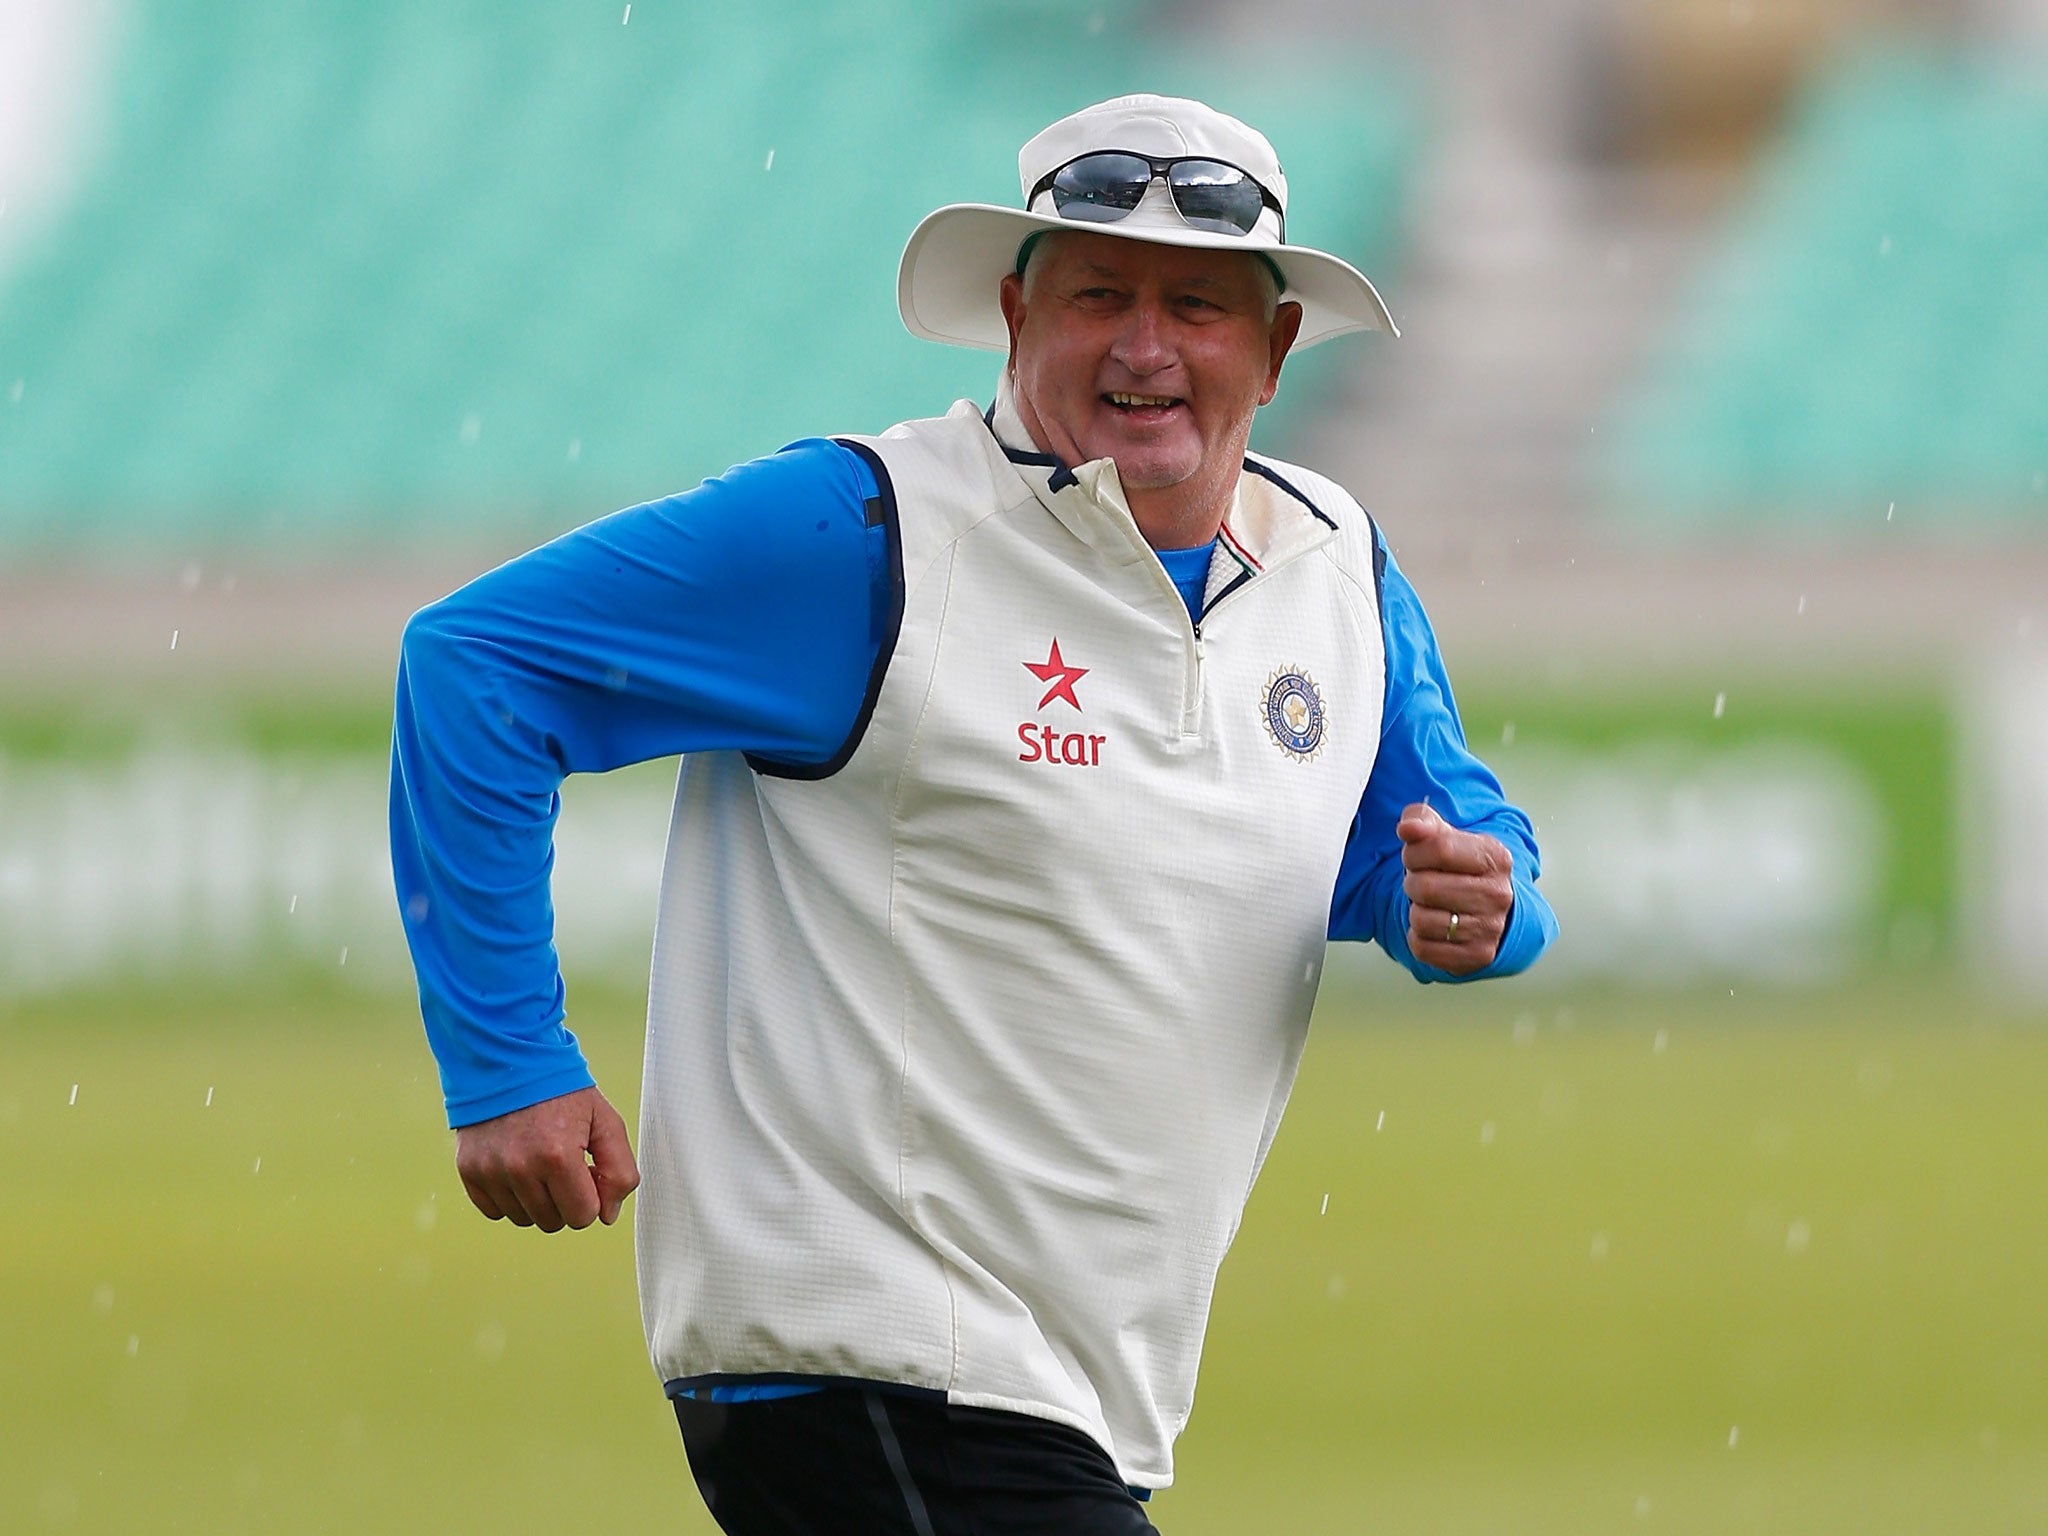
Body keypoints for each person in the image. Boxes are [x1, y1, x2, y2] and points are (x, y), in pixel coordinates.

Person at [390, 93, 1556, 1535]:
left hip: (1077, 1399)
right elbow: (479, 667)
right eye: (1096, 297)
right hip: (868, 1361)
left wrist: (1484, 909)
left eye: (1194, 302)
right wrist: (507, 1061)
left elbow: (1436, 841)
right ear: (1014, 312)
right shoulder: (864, 531)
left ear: (1275, 345)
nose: (1143, 346)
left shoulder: (1338, 567)